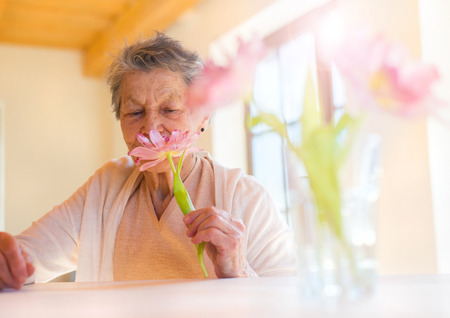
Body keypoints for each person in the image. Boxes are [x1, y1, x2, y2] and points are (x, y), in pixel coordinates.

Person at [0, 33, 297, 290]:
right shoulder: (104, 189)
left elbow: (291, 300)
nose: (151, 128)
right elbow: (26, 259)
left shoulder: (246, 197)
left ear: (203, 116)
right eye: (134, 113)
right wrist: (7, 263)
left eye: (169, 109)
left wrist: (239, 270)